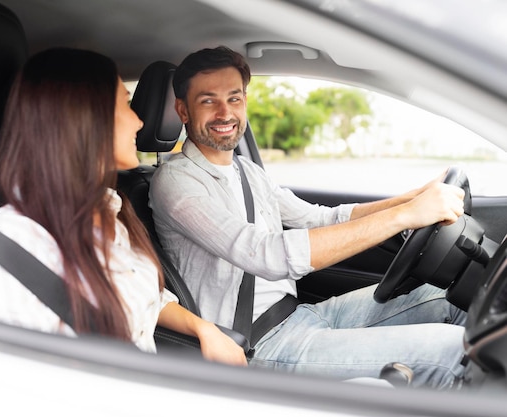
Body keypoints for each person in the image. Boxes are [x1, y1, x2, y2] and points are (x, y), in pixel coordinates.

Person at [149, 46, 468, 388]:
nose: (225, 113)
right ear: (182, 110)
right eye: (208, 101)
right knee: (453, 351)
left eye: (235, 98)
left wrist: (411, 198)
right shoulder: (175, 182)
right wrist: (404, 216)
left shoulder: (247, 171)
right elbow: (263, 254)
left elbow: (319, 219)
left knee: (448, 295)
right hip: (259, 342)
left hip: (301, 315)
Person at [0, 47, 246, 366]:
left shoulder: (109, 209)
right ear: (81, 118)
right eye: (124, 103)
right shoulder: (18, 250)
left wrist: (203, 329)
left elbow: (143, 295)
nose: (139, 121)